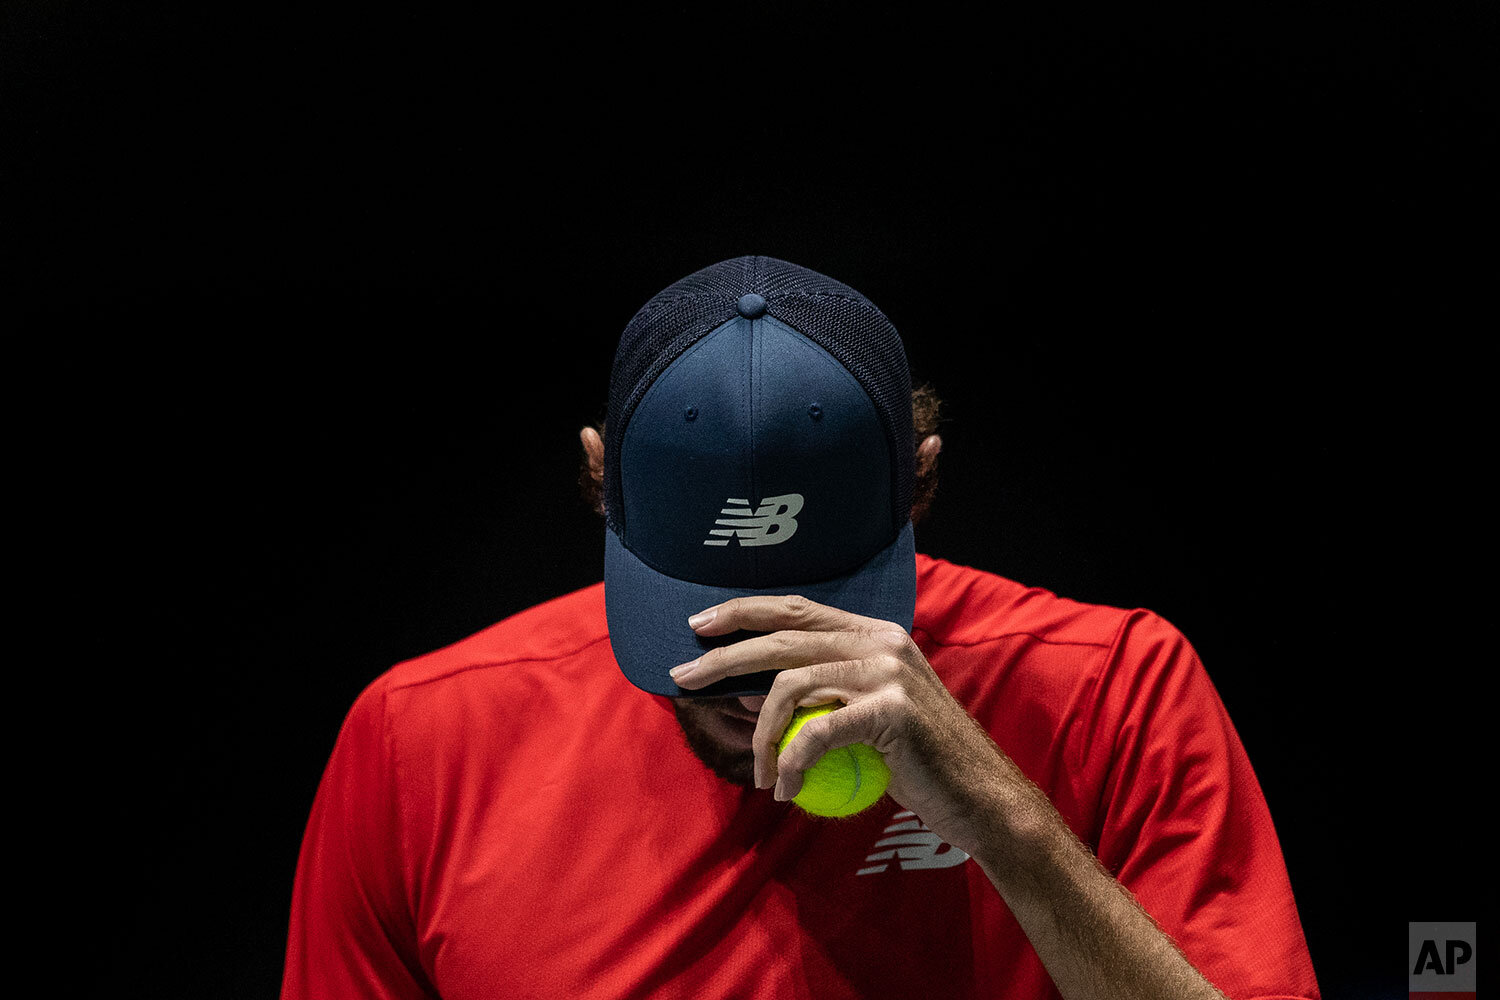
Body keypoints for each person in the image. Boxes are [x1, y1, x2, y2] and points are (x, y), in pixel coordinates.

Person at [280, 255, 1321, 999]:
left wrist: (1005, 819)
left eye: (820, 600)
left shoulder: (1116, 689)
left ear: (921, 480)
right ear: (600, 480)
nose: (751, 683)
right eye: (698, 613)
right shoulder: (418, 739)